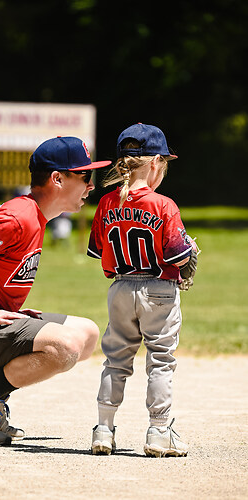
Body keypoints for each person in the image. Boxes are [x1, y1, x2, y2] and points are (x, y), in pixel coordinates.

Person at [0, 136, 111, 446]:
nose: (90, 186)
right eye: (84, 176)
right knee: (64, 346)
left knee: (87, 335)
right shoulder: (17, 217)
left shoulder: (36, 218)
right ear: (57, 178)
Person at [87, 123, 199, 457]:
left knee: (115, 361)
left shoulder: (107, 203)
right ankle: (159, 432)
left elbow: (99, 253)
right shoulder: (164, 205)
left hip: (120, 288)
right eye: (163, 164)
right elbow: (178, 256)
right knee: (161, 361)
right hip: (159, 289)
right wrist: (189, 251)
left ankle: (103, 430)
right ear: (154, 164)